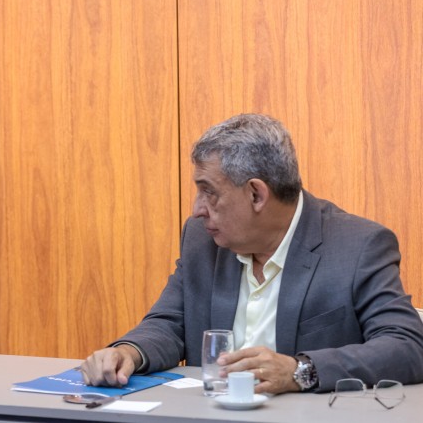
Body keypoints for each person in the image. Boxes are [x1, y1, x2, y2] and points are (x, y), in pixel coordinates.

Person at [81, 113, 423, 394]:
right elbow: (169, 323)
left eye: (208, 192)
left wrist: (299, 371)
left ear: (257, 195)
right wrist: (128, 352)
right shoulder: (203, 239)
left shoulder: (358, 245)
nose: (198, 209)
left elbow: (408, 347)